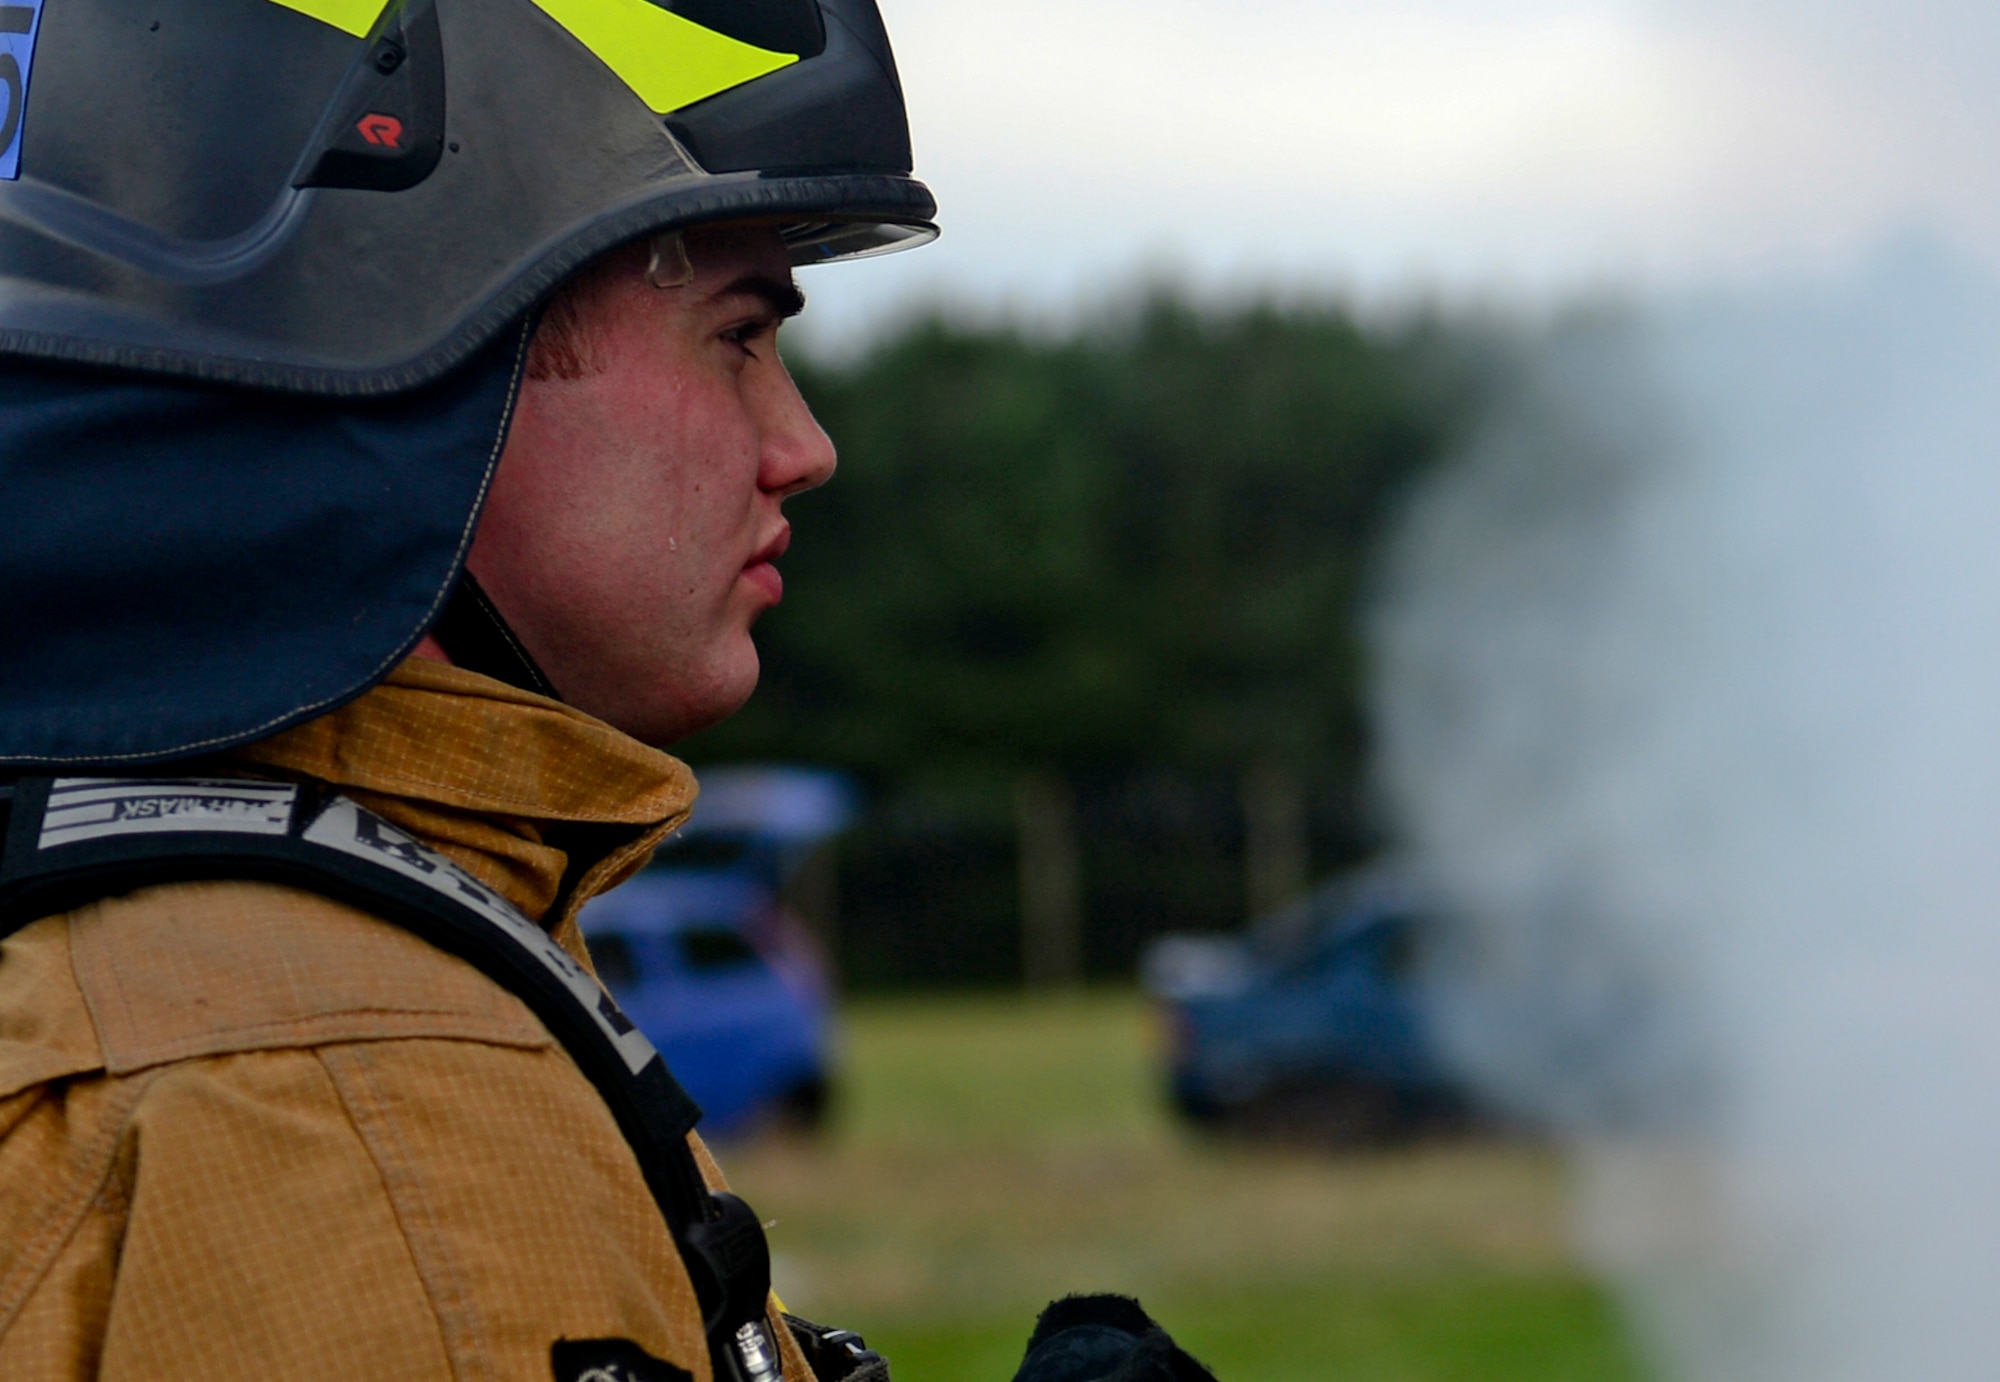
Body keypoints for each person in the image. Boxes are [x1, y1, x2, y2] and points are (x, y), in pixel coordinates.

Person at [0, 2, 1217, 1377]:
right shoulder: (365, 1088)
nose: (804, 445)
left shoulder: (150, 942)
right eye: (739, 335)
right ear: (426, 339)